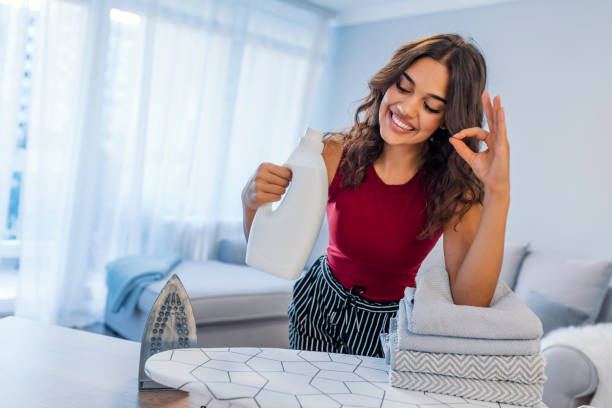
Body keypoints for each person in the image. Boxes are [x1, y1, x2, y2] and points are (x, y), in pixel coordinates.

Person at [241, 33, 510, 357]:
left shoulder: (454, 191)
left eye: (430, 105)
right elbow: (272, 251)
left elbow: (470, 302)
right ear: (388, 81)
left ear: (446, 119)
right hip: (317, 304)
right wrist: (251, 201)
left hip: (388, 328)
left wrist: (497, 193)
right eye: (404, 87)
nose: (406, 108)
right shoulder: (332, 152)